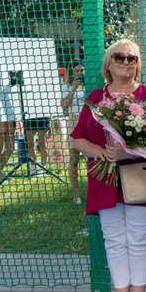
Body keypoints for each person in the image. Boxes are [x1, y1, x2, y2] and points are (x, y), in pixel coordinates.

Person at [71, 39, 146, 292]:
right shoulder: (95, 97)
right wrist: (102, 151)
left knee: (139, 239)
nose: (126, 62)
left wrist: (126, 150)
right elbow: (78, 139)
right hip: (104, 176)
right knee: (114, 240)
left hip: (139, 173)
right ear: (108, 63)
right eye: (120, 57)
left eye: (132, 58)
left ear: (138, 64)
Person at [61, 62, 85, 203]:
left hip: (88, 120)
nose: (80, 73)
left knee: (93, 159)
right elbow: (64, 105)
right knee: (74, 159)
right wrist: (74, 88)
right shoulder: (66, 87)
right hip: (74, 121)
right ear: (71, 72)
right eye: (77, 70)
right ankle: (76, 194)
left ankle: (95, 190)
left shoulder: (91, 83)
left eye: (82, 70)